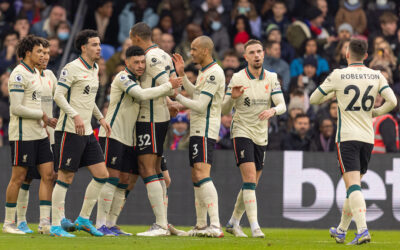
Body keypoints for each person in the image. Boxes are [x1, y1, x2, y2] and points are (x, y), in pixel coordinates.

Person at [310, 39, 397, 245]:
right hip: (367, 138)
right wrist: (376, 112)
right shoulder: (376, 75)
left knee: (353, 187)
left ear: (347, 54)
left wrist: (333, 94)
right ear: (366, 56)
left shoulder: (339, 75)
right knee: (354, 186)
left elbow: (314, 99)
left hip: (347, 137)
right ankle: (341, 230)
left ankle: (363, 230)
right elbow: (393, 101)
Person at [96, 45, 182, 236]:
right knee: (111, 178)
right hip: (113, 133)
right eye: (136, 62)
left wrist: (168, 102)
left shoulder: (139, 80)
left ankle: (110, 224)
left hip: (129, 137)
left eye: (143, 62)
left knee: (125, 179)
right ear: (127, 62)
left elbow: (149, 95)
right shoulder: (123, 77)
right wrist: (169, 86)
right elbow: (143, 95)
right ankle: (99, 223)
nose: (141, 65)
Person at [50, 29, 112, 237]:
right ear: (84, 47)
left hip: (86, 131)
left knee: (102, 175)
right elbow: (58, 96)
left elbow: (89, 99)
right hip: (69, 130)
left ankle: (84, 219)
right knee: (65, 176)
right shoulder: (71, 68)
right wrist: (74, 115)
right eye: (94, 44)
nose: (99, 48)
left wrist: (101, 118)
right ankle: (57, 225)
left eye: (99, 44)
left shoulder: (94, 68)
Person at [221, 39, 286, 238]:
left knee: (252, 184)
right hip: (242, 130)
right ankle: (255, 226)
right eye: (252, 52)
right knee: (249, 179)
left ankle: (233, 221)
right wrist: (233, 96)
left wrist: (273, 110)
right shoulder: (238, 77)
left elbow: (282, 105)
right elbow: (223, 110)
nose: (256, 55)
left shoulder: (272, 77)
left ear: (264, 54)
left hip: (261, 134)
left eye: (259, 51)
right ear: (246, 56)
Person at [129, 22, 182, 237]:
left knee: (147, 167)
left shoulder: (150, 58)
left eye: (132, 39)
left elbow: (168, 83)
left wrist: (171, 96)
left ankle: (160, 225)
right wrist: (169, 102)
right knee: (158, 170)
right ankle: (164, 223)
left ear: (137, 38)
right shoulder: (164, 55)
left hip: (149, 117)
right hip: (159, 117)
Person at [172, 35, 225, 237]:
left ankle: (216, 225)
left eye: (194, 49)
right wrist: (182, 75)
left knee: (202, 173)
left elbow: (201, 105)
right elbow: (196, 94)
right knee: (196, 175)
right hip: (197, 129)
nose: (190, 52)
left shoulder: (213, 73)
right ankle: (201, 225)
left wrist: (175, 94)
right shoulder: (205, 71)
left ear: (205, 50)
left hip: (204, 129)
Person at [3, 35, 55, 235]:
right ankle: (9, 223)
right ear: (28, 53)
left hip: (40, 134)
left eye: (45, 52)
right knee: (18, 178)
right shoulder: (18, 74)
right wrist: (42, 115)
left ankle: (44, 223)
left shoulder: (37, 74)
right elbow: (16, 108)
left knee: (48, 175)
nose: (43, 55)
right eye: (39, 51)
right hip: (23, 134)